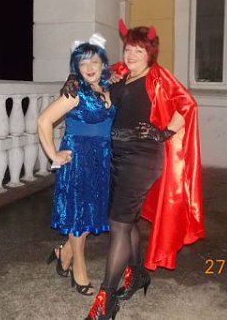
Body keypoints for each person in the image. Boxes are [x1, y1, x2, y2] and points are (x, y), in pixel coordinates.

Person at [78, 20, 205, 320]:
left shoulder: (158, 76)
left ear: (150, 53)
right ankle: (137, 275)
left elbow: (187, 105)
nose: (131, 54)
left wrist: (164, 133)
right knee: (129, 219)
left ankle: (107, 299)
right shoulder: (121, 74)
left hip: (142, 159)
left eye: (138, 50)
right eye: (128, 49)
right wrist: (76, 80)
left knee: (118, 223)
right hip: (117, 157)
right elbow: (94, 79)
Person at [38, 34, 116, 296]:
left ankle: (64, 253)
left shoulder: (107, 87)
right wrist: (54, 154)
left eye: (94, 61)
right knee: (78, 214)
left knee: (90, 211)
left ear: (103, 63)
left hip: (102, 158)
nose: (89, 68)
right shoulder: (75, 92)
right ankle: (78, 268)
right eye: (83, 64)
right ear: (77, 68)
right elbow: (44, 121)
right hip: (79, 158)